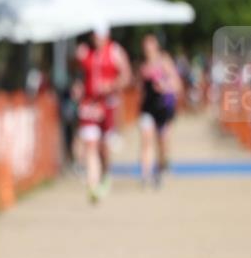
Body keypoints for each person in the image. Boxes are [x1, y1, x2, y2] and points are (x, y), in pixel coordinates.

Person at [75, 22, 131, 203]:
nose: (97, 40)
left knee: (104, 147)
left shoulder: (115, 51)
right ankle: (93, 185)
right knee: (90, 145)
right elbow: (78, 74)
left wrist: (111, 85)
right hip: (89, 104)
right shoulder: (84, 52)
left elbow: (126, 76)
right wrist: (77, 86)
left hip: (107, 105)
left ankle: (105, 174)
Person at [137, 34, 182, 187]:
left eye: (150, 46)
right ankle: (145, 174)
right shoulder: (143, 65)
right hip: (147, 108)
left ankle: (162, 166)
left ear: (156, 46)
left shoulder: (164, 61)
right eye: (145, 46)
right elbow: (140, 87)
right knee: (146, 140)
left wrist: (165, 86)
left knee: (162, 140)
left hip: (163, 107)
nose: (148, 49)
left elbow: (177, 84)